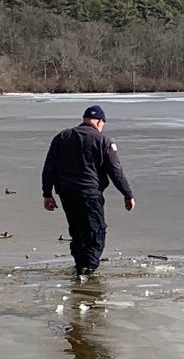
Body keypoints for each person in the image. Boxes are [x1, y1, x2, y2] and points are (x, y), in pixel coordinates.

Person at [42, 105, 135, 276]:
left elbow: (49, 167)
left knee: (77, 230)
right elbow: (115, 170)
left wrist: (47, 194)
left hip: (67, 193)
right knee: (95, 231)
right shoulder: (103, 140)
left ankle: (81, 267)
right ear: (100, 121)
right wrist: (127, 194)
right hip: (90, 192)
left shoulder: (62, 137)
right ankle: (88, 270)